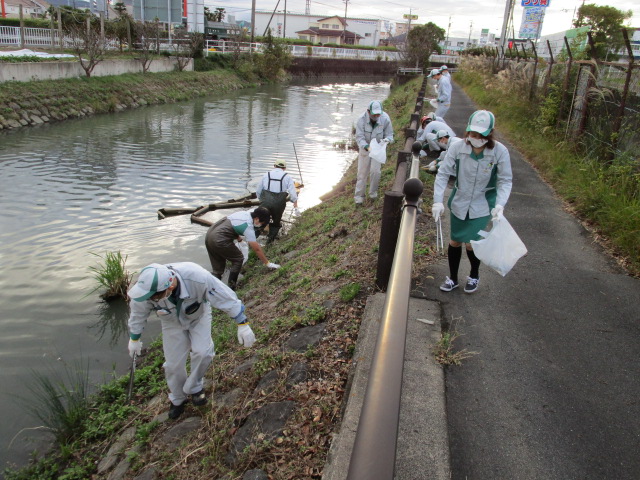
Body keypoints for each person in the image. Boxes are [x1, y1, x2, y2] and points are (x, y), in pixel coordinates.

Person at [127, 262, 257, 419]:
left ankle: (195, 387)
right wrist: (134, 339)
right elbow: (137, 315)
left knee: (203, 352)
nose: (152, 299)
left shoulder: (197, 277)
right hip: (171, 322)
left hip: (198, 315)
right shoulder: (146, 290)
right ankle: (177, 398)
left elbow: (224, 296)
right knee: (173, 365)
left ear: (169, 286)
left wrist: (242, 322)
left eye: (155, 296)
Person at [431, 110, 512, 294]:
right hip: (460, 201)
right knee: (455, 240)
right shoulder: (457, 147)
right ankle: (452, 278)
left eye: (481, 135)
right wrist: (438, 201)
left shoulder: (499, 151)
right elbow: (443, 173)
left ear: (489, 133)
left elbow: (505, 180)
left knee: (472, 242)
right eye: (472, 134)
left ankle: (474, 276)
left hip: (483, 204)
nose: (476, 138)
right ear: (467, 132)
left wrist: (500, 204)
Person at [205, 207, 280, 290]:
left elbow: (233, 226)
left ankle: (209, 290)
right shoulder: (248, 227)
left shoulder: (245, 213)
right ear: (257, 218)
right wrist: (267, 263)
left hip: (210, 234)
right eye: (261, 223)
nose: (261, 225)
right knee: (238, 259)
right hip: (219, 239)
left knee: (217, 270)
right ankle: (231, 287)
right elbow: (257, 249)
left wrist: (239, 239)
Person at [354, 100, 394, 205]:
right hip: (365, 149)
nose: (376, 115)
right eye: (374, 113)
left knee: (375, 172)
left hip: (377, 149)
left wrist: (387, 141)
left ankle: (373, 194)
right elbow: (359, 137)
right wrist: (366, 146)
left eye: (378, 113)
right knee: (362, 174)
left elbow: (390, 135)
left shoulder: (385, 119)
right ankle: (359, 197)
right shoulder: (361, 120)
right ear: (368, 111)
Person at [256, 159, 299, 243]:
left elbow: (258, 191)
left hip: (265, 202)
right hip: (279, 204)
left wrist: (261, 200)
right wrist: (294, 201)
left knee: (259, 220)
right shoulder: (287, 177)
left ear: (274, 166)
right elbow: (293, 194)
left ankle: (252, 240)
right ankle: (269, 242)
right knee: (276, 222)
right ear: (284, 168)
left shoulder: (266, 175)